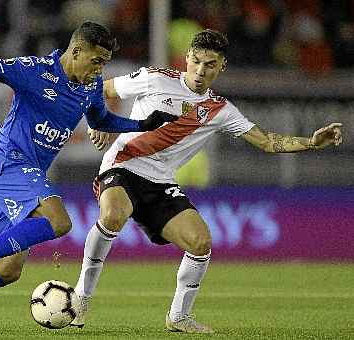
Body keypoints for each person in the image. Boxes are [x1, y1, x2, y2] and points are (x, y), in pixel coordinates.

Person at [0, 21, 177, 333]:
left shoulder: (91, 86)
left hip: (25, 172)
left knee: (7, 270)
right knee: (59, 221)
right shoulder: (36, 70)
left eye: (104, 63)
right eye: (96, 61)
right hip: (7, 163)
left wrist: (143, 125)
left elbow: (101, 119)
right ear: (76, 51)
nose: (99, 69)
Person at [71, 29, 343, 333]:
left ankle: (178, 317)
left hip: (160, 181)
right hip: (123, 165)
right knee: (112, 214)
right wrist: (101, 121)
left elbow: (266, 142)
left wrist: (312, 142)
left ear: (221, 66)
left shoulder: (220, 110)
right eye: (197, 61)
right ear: (186, 57)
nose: (200, 71)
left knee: (200, 243)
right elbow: (99, 89)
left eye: (210, 65)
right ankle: (81, 297)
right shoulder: (155, 77)